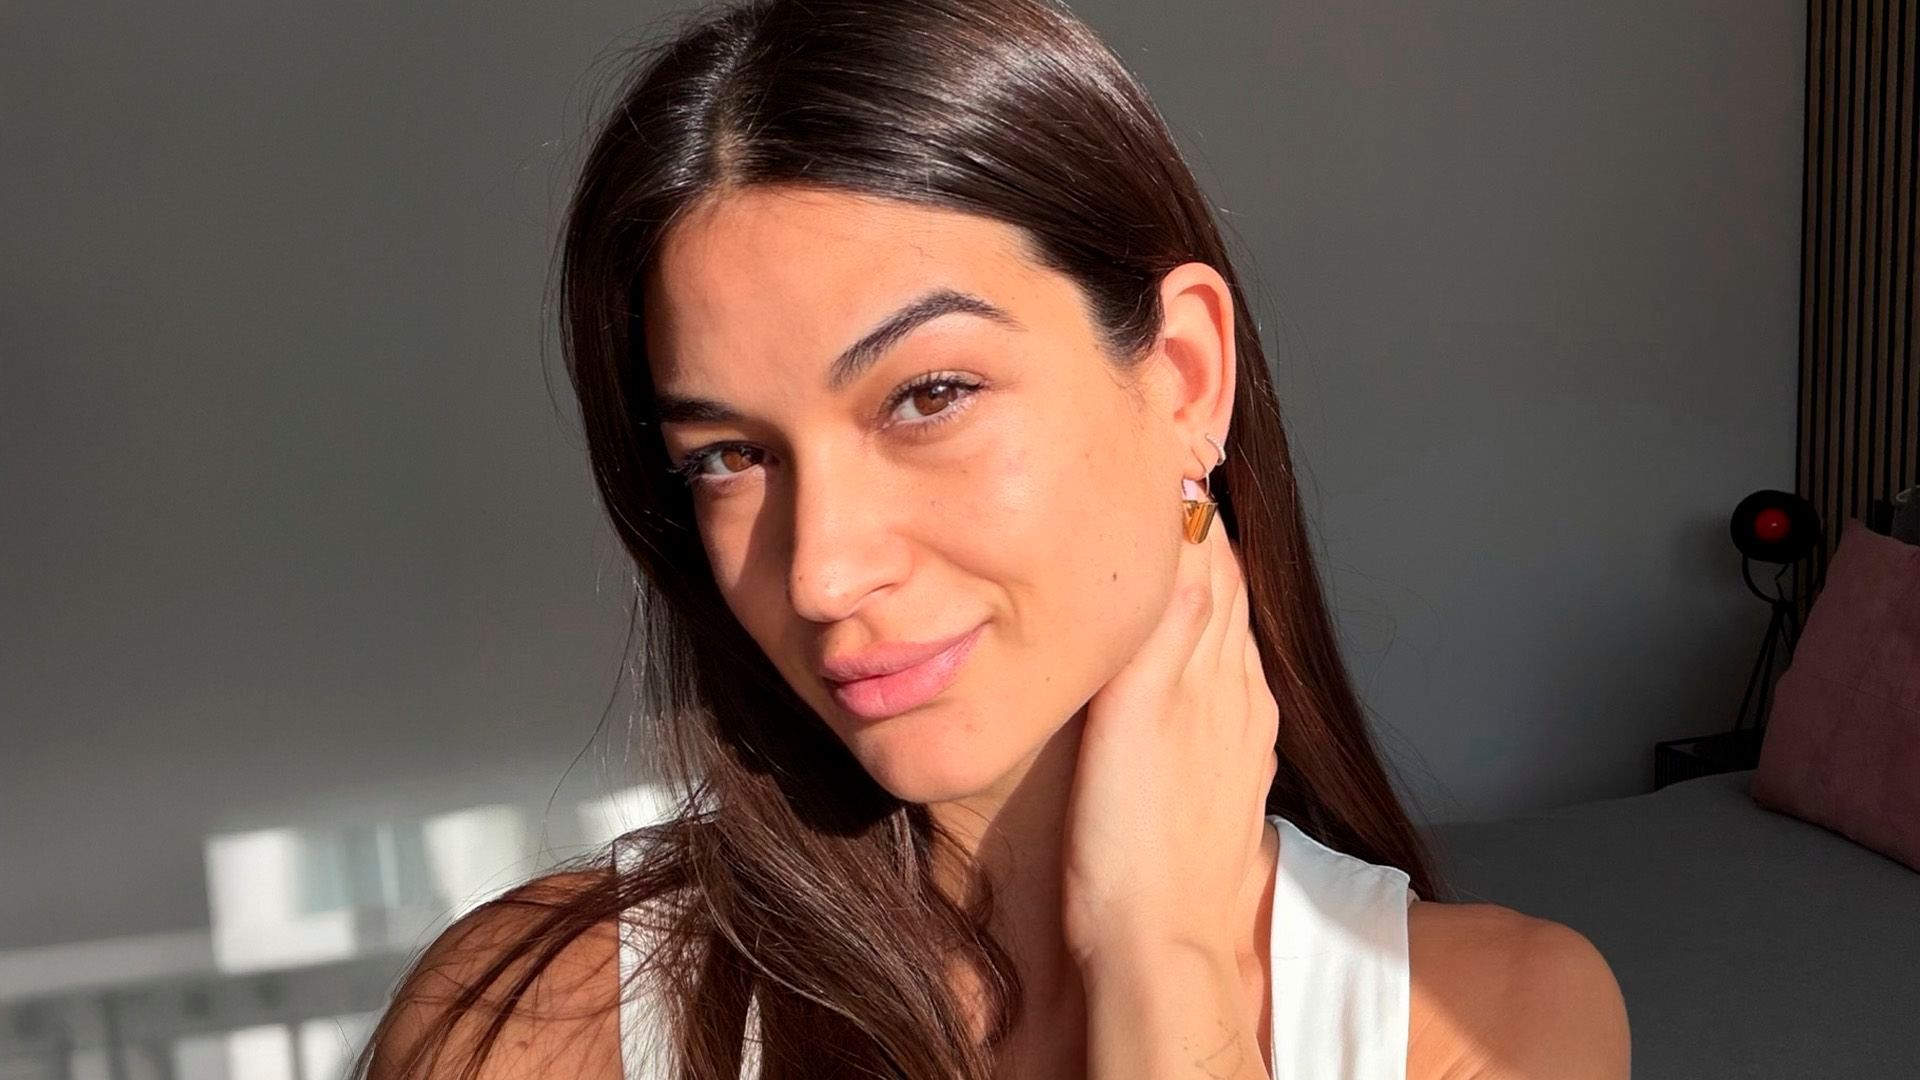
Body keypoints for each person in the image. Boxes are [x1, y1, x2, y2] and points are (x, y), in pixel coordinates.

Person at [356, 0, 1630, 1077]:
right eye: (730, 458)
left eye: (928, 396)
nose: (821, 571)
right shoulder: (536, 1019)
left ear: (1186, 376)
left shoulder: (1493, 1025)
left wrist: (1163, 966)